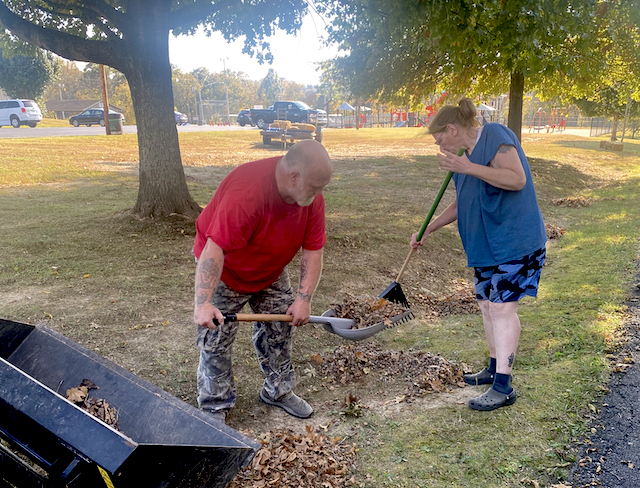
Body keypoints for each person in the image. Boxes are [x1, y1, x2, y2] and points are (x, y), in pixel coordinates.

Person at [411, 98, 546, 411]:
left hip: (515, 241)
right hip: (485, 246)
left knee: (501, 308)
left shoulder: (495, 136)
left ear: (453, 129)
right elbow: (462, 202)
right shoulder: (462, 157)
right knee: (487, 306)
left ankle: (504, 386)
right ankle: (494, 367)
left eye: (439, 139)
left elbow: (517, 179)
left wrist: (469, 168)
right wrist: (428, 228)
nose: (439, 147)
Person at [193, 140, 332, 422]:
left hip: (271, 269)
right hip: (227, 270)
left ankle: (278, 391)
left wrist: (304, 299)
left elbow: (313, 249)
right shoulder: (247, 192)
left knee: (280, 327)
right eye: (315, 186)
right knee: (216, 338)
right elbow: (214, 249)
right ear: (295, 177)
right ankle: (214, 405)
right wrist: (204, 303)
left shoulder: (310, 199)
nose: (319, 194)